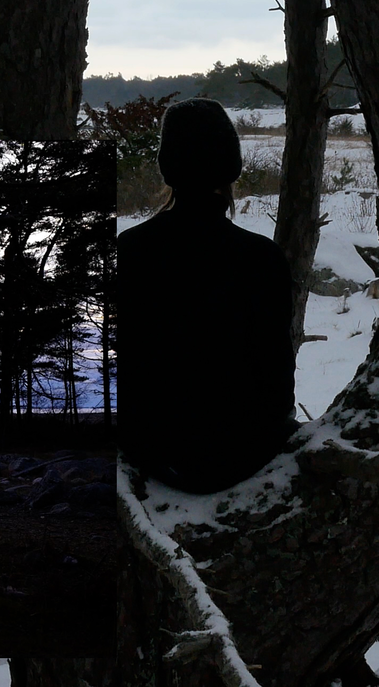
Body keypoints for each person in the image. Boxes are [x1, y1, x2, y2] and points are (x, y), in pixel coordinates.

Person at [117, 98, 297, 494]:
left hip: (152, 451)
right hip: (243, 455)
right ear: (230, 170)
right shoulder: (262, 258)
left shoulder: (128, 252)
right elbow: (277, 385)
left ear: (169, 168)